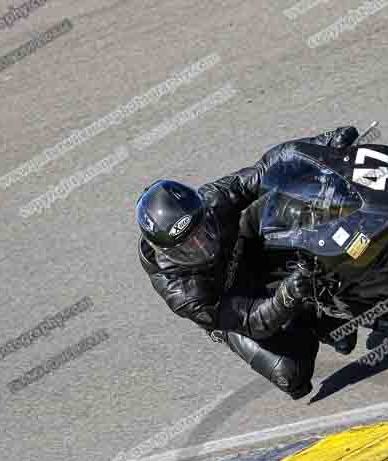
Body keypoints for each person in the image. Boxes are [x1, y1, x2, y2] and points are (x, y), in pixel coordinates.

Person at [136, 127, 360, 400]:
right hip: (232, 306)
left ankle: (332, 301)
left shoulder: (212, 199)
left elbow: (265, 169)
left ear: (204, 211)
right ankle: (317, 322)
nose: (202, 245)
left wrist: (323, 146)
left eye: (203, 231)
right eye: (187, 248)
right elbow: (252, 321)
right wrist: (288, 295)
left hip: (250, 254)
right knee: (290, 375)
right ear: (166, 252)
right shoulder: (185, 293)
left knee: (282, 199)